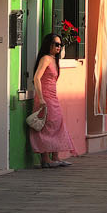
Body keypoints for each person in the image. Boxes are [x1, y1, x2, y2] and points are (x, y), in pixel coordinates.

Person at [28, 32, 74, 167]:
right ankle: (45, 159)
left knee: (57, 124)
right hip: (45, 98)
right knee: (46, 126)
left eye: (61, 45)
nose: (59, 47)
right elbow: (36, 78)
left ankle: (55, 157)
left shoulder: (54, 60)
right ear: (49, 44)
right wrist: (41, 98)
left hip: (53, 97)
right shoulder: (46, 59)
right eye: (56, 44)